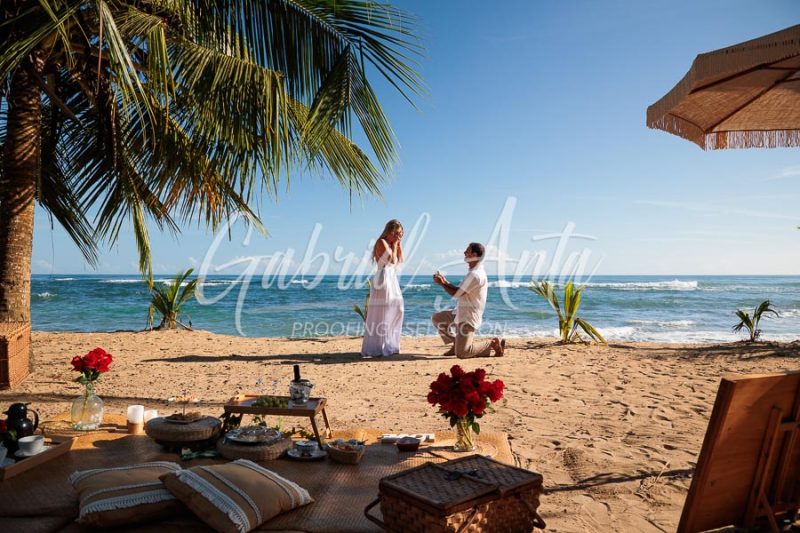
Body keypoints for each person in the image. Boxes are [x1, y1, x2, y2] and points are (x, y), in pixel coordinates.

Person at [431, 242, 505, 358]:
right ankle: (457, 343)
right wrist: (445, 282)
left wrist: (442, 283)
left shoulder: (476, 275)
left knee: (462, 353)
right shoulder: (473, 272)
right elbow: (459, 290)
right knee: (437, 318)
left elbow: (456, 293)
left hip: (468, 318)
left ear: (474, 255)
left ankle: (492, 344)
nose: (464, 253)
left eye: (467, 251)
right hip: (460, 312)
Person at [361, 220, 405, 357]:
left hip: (391, 278)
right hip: (383, 278)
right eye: (397, 233)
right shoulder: (382, 242)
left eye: (401, 234)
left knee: (398, 309)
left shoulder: (392, 244)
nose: (399, 236)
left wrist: (398, 244)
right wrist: (396, 244)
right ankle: (379, 347)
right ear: (389, 231)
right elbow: (391, 260)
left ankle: (390, 344)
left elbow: (400, 260)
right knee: (383, 312)